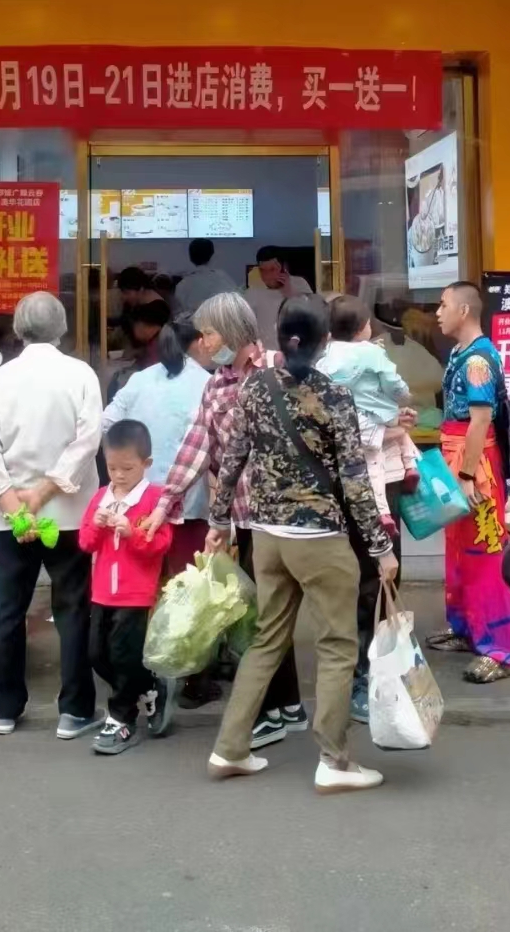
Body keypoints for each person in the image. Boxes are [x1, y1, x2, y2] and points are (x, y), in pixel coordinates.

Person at [205, 296, 398, 793]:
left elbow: (233, 458)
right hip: (320, 540)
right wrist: (380, 548)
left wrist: (219, 519)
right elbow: (355, 482)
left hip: (267, 538)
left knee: (267, 639)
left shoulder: (254, 387)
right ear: (324, 343)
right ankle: (334, 761)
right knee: (336, 645)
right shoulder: (334, 397)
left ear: (277, 333)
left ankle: (229, 748)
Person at [141, 290, 305, 746]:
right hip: (248, 521)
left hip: (292, 518)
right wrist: (164, 503)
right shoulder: (215, 385)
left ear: (233, 331)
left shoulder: (282, 368)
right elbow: (196, 446)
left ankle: (273, 711)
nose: (204, 342)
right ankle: (286, 706)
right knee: (265, 614)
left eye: (210, 332)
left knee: (269, 616)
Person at [0, 291, 102, 739]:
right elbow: (88, 441)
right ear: (63, 328)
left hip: (9, 520)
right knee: (73, 610)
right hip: (67, 514)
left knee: (6, 610)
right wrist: (46, 491)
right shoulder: (80, 374)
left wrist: (12, 503)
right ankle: (75, 712)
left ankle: (4, 710)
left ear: (18, 329)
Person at [318, 295, 420, 722]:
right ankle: (366, 674)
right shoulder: (364, 361)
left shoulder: (326, 365)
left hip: (380, 477)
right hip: (361, 483)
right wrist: (392, 427)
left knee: (382, 577)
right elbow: (349, 433)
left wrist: (397, 427)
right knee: (371, 578)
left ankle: (382, 664)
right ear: (362, 328)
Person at [426, 280, 510, 681]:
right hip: (458, 457)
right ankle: (467, 627)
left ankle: (502, 649)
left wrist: (466, 475)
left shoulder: (478, 360)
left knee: (484, 552)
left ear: (463, 311)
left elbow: (481, 421)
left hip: (474, 464)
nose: (437, 311)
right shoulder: (459, 353)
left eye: (443, 304)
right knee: (458, 548)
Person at [79, 420, 175, 755]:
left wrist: (133, 533)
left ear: (146, 464)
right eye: (112, 468)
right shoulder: (100, 497)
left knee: (123, 653)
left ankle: (121, 719)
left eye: (127, 468)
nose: (118, 475)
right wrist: (99, 523)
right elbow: (86, 543)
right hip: (102, 591)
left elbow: (160, 545)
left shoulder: (154, 498)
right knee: (97, 654)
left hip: (136, 593)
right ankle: (149, 688)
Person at [102, 315, 213, 581]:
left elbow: (107, 423)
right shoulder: (206, 383)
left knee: (142, 587)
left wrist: (124, 466)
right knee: (187, 592)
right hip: (187, 506)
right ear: (198, 342)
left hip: (138, 502)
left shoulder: (140, 379)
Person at [245, 246, 313, 352]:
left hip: (296, 351)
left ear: (283, 268)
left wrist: (289, 293)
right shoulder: (253, 291)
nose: (268, 276)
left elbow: (311, 316)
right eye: (263, 271)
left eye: (272, 269)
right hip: (267, 353)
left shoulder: (299, 284)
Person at [175, 239, 236, 314]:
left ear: (191, 258)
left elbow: (179, 313)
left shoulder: (182, 285)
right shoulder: (223, 278)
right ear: (212, 255)